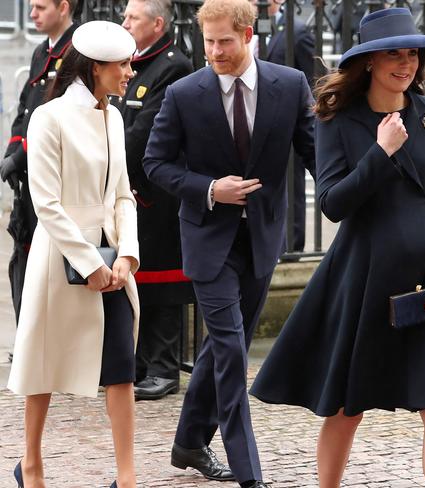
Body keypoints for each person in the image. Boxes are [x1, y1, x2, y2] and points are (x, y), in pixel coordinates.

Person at [250, 8, 425, 488]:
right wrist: (380, 151)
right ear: (369, 61)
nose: (405, 64)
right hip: (366, 280)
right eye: (393, 54)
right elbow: (332, 203)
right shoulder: (336, 119)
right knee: (348, 408)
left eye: (412, 54)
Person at [142, 0, 315, 485]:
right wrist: (209, 188)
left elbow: (315, 153)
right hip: (206, 239)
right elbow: (156, 164)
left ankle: (188, 443)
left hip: (261, 239)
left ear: (247, 34)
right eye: (208, 41)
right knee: (233, 352)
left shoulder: (289, 85)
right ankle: (248, 472)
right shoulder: (183, 94)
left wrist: (350, 193)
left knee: (221, 349)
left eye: (225, 41)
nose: (214, 51)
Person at [7, 21, 140, 488]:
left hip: (113, 256)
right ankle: (33, 465)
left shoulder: (115, 117)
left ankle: (127, 477)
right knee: (43, 365)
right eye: (122, 64)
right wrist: (91, 264)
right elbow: (46, 203)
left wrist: (126, 256)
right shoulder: (50, 117)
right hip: (60, 257)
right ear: (96, 67)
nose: (130, 71)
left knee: (121, 364)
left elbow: (123, 195)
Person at [116, 0, 194, 401]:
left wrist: (109, 162)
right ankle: (142, 361)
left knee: (162, 278)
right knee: (136, 274)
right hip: (129, 186)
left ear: (157, 24)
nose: (124, 22)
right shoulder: (135, 63)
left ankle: (164, 365)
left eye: (132, 17)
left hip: (155, 190)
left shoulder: (172, 66)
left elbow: (143, 131)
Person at [0, 0, 78, 331]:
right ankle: (30, 336)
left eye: (40, 7)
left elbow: (61, 116)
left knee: (51, 262)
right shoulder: (40, 52)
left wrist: (24, 155)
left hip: (56, 175)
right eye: (30, 7)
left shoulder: (77, 51)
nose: (32, 14)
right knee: (25, 258)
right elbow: (25, 109)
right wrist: (14, 150)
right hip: (29, 176)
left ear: (63, 7)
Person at [262, 0, 315, 253]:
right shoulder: (248, 29)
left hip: (288, 125)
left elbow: (313, 82)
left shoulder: (299, 31)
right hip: (257, 126)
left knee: (292, 188)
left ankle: (292, 248)